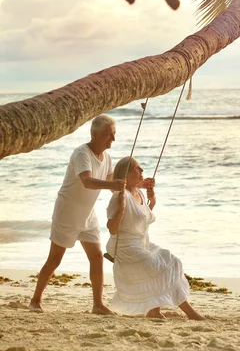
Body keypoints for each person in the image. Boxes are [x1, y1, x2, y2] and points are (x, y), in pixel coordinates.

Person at [29, 114, 126, 315]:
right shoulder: (82, 153)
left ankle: (97, 305)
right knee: (55, 259)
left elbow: (113, 187)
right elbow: (87, 181)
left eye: (114, 135)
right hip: (67, 212)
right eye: (109, 135)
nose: (113, 139)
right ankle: (35, 300)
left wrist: (137, 186)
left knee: (97, 257)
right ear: (95, 134)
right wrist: (112, 184)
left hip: (87, 215)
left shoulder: (106, 158)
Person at [106, 156, 204, 320]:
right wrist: (121, 207)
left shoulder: (138, 193)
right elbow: (112, 229)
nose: (142, 170)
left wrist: (152, 201)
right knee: (157, 268)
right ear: (127, 174)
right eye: (138, 168)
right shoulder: (119, 196)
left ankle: (154, 310)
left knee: (171, 261)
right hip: (125, 247)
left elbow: (141, 219)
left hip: (141, 243)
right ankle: (190, 313)